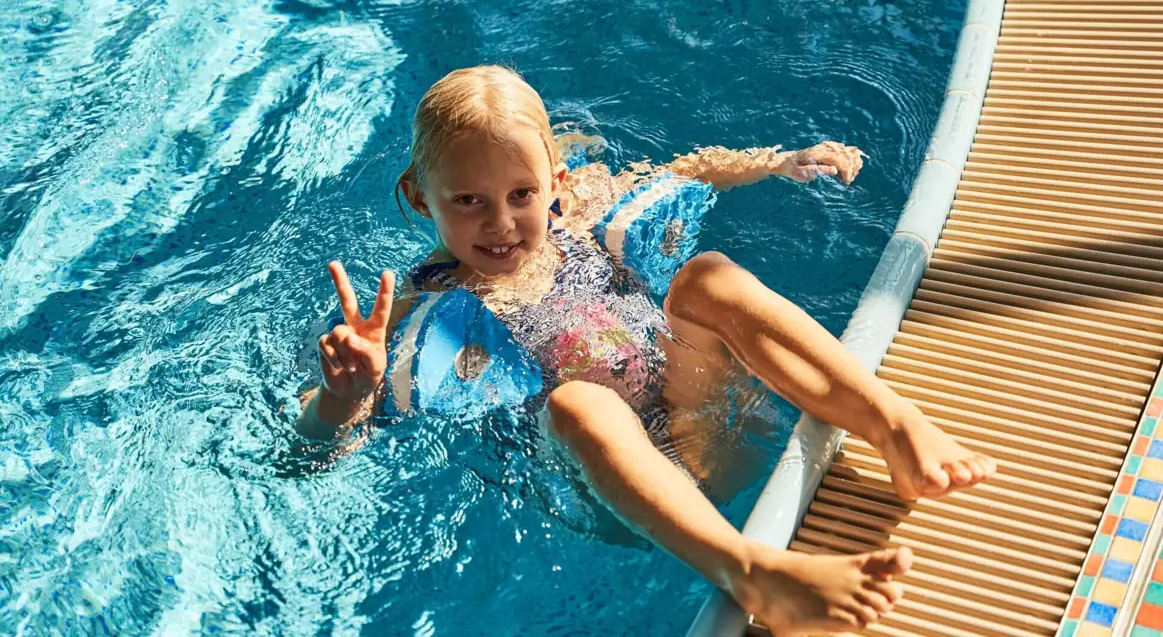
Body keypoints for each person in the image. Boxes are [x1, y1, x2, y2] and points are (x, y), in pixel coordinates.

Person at [294, 65, 996, 634]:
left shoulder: (588, 206)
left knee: (707, 277)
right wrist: (343, 394)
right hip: (619, 499)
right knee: (577, 400)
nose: (502, 222)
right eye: (467, 201)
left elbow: (691, 170)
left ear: (558, 183)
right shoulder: (417, 310)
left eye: (521, 194)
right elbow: (309, 455)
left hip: (710, 426)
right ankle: (751, 571)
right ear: (421, 198)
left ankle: (890, 423)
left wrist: (780, 163)